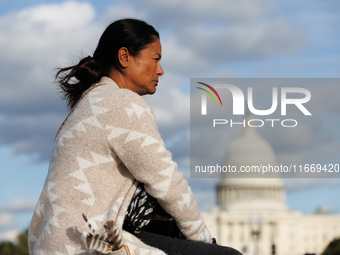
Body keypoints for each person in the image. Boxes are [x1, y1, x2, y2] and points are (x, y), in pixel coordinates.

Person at [28, 18, 242, 255]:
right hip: (87, 243)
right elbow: (168, 184)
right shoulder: (121, 103)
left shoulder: (86, 104)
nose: (160, 70)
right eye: (156, 59)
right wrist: (204, 241)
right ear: (124, 57)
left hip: (57, 241)